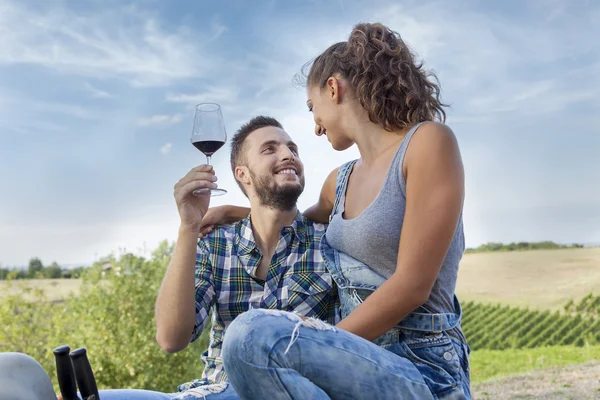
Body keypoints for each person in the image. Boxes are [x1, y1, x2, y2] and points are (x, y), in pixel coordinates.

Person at [213, 22, 471, 399]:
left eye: (311, 107)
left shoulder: (427, 144)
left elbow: (413, 286)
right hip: (354, 361)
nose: (315, 127)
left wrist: (318, 347)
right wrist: (239, 211)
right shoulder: (341, 180)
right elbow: (296, 224)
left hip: (422, 366)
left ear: (333, 88)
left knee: (251, 335)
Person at [52, 116, 337, 400]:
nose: (288, 155)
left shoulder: (329, 242)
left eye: (293, 149)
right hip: (213, 392)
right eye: (270, 149)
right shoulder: (217, 244)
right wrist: (188, 227)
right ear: (243, 174)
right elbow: (171, 339)